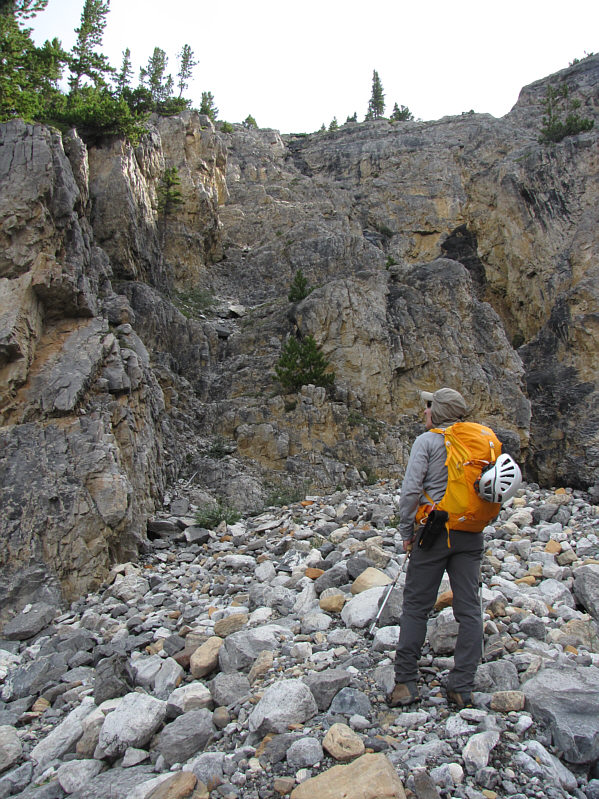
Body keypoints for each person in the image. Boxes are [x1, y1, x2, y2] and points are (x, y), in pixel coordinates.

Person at [389, 387, 484, 709]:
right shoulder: (478, 440)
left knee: (416, 606)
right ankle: (462, 686)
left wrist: (406, 532)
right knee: (469, 609)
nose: (425, 411)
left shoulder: (427, 441)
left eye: (429, 406)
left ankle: (406, 684)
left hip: (434, 532)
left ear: (439, 411)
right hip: (470, 532)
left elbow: (410, 491)